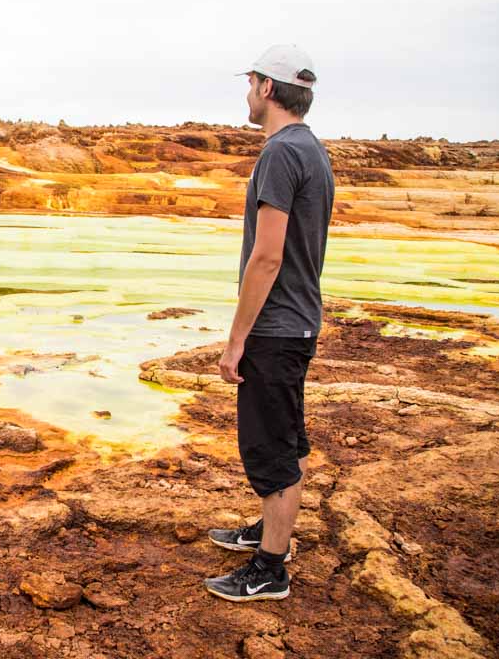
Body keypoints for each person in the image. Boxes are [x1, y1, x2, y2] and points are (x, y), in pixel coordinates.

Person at [203, 44, 335, 602]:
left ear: (267, 88)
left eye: (251, 82)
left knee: (270, 447)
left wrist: (236, 341)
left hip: (276, 328)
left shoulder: (280, 153)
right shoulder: (311, 148)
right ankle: (269, 530)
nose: (247, 93)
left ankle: (270, 568)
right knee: (287, 437)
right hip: (297, 321)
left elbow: (267, 256)